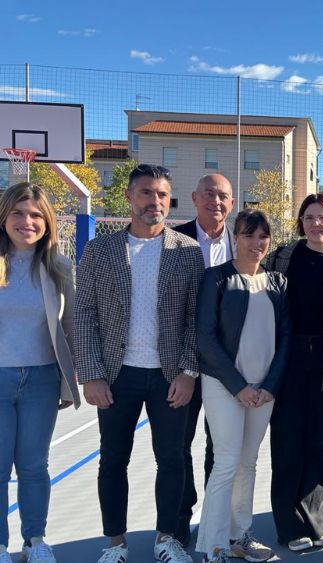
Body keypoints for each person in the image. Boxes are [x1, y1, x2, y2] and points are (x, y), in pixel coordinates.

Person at [74, 164, 203, 563]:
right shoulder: (100, 250)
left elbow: (194, 319)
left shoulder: (187, 251)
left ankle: (167, 539)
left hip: (168, 376)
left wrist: (187, 371)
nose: (155, 201)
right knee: (113, 459)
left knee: (172, 459)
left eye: (162, 195)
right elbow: (84, 315)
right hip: (117, 375)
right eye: (146, 193)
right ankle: (115, 543)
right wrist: (92, 374)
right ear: (130, 198)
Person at [194, 209, 288, 563]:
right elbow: (206, 337)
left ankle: (239, 536)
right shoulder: (217, 278)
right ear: (236, 237)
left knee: (248, 462)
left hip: (264, 389)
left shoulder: (277, 283)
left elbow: (285, 337)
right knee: (227, 461)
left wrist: (270, 385)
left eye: (262, 236)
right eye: (249, 235)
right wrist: (238, 386)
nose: (256, 243)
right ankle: (214, 546)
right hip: (224, 386)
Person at [0, 183, 79, 563]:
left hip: (41, 381)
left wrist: (67, 381)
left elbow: (70, 329)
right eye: (18, 212)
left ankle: (35, 540)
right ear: (4, 216)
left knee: (33, 466)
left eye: (35, 215)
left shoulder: (58, 267)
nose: (26, 222)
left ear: (47, 222)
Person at [264, 194, 323, 551]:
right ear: (301, 222)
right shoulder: (281, 257)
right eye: (309, 217)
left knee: (318, 441)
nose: (316, 224)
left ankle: (315, 519)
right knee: (287, 440)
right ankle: (288, 525)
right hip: (289, 356)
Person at [173, 173, 235, 547]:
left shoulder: (242, 241)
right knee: (178, 447)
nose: (215, 200)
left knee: (223, 450)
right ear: (194, 198)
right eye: (209, 193)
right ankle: (179, 525)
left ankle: (217, 525)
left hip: (227, 366)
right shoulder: (172, 241)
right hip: (181, 364)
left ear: (232, 202)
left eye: (223, 195)